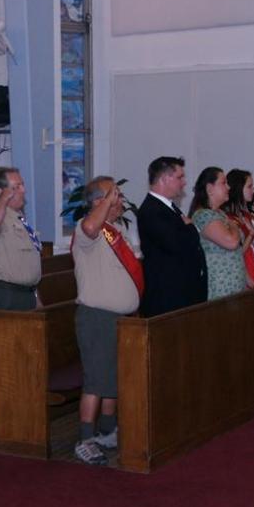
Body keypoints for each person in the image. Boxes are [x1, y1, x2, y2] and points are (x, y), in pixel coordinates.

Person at [71, 176, 143, 466]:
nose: (121, 200)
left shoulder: (115, 230)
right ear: (101, 201)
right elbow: (91, 227)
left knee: (113, 378)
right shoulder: (87, 228)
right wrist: (106, 200)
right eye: (116, 195)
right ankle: (85, 439)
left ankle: (107, 430)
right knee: (96, 380)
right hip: (97, 318)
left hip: (120, 318)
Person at [137, 156, 206, 317]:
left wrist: (189, 229)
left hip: (181, 294)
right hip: (167, 297)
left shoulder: (169, 207)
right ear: (164, 179)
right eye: (180, 177)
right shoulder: (152, 210)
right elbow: (177, 244)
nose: (184, 182)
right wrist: (191, 229)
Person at [0, 166, 43, 311]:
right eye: (17, 187)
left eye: (22, 185)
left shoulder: (20, 218)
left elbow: (28, 262)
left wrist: (36, 298)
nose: (23, 190)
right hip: (7, 295)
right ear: (1, 192)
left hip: (27, 293)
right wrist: (4, 198)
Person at [191, 167, 249, 300]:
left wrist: (248, 279)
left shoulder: (221, 213)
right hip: (220, 287)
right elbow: (232, 242)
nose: (228, 187)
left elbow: (236, 252)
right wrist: (234, 225)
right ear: (210, 189)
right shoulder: (203, 215)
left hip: (235, 285)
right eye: (223, 183)